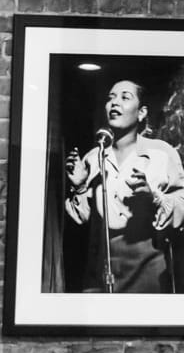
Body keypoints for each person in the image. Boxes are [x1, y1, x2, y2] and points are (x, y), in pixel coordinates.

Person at [64, 79, 184, 293]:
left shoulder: (161, 153)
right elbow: (82, 221)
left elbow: (182, 205)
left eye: (124, 97)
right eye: (110, 98)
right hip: (104, 275)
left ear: (141, 112)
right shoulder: (94, 157)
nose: (114, 103)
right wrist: (80, 187)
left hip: (151, 274)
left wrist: (153, 197)